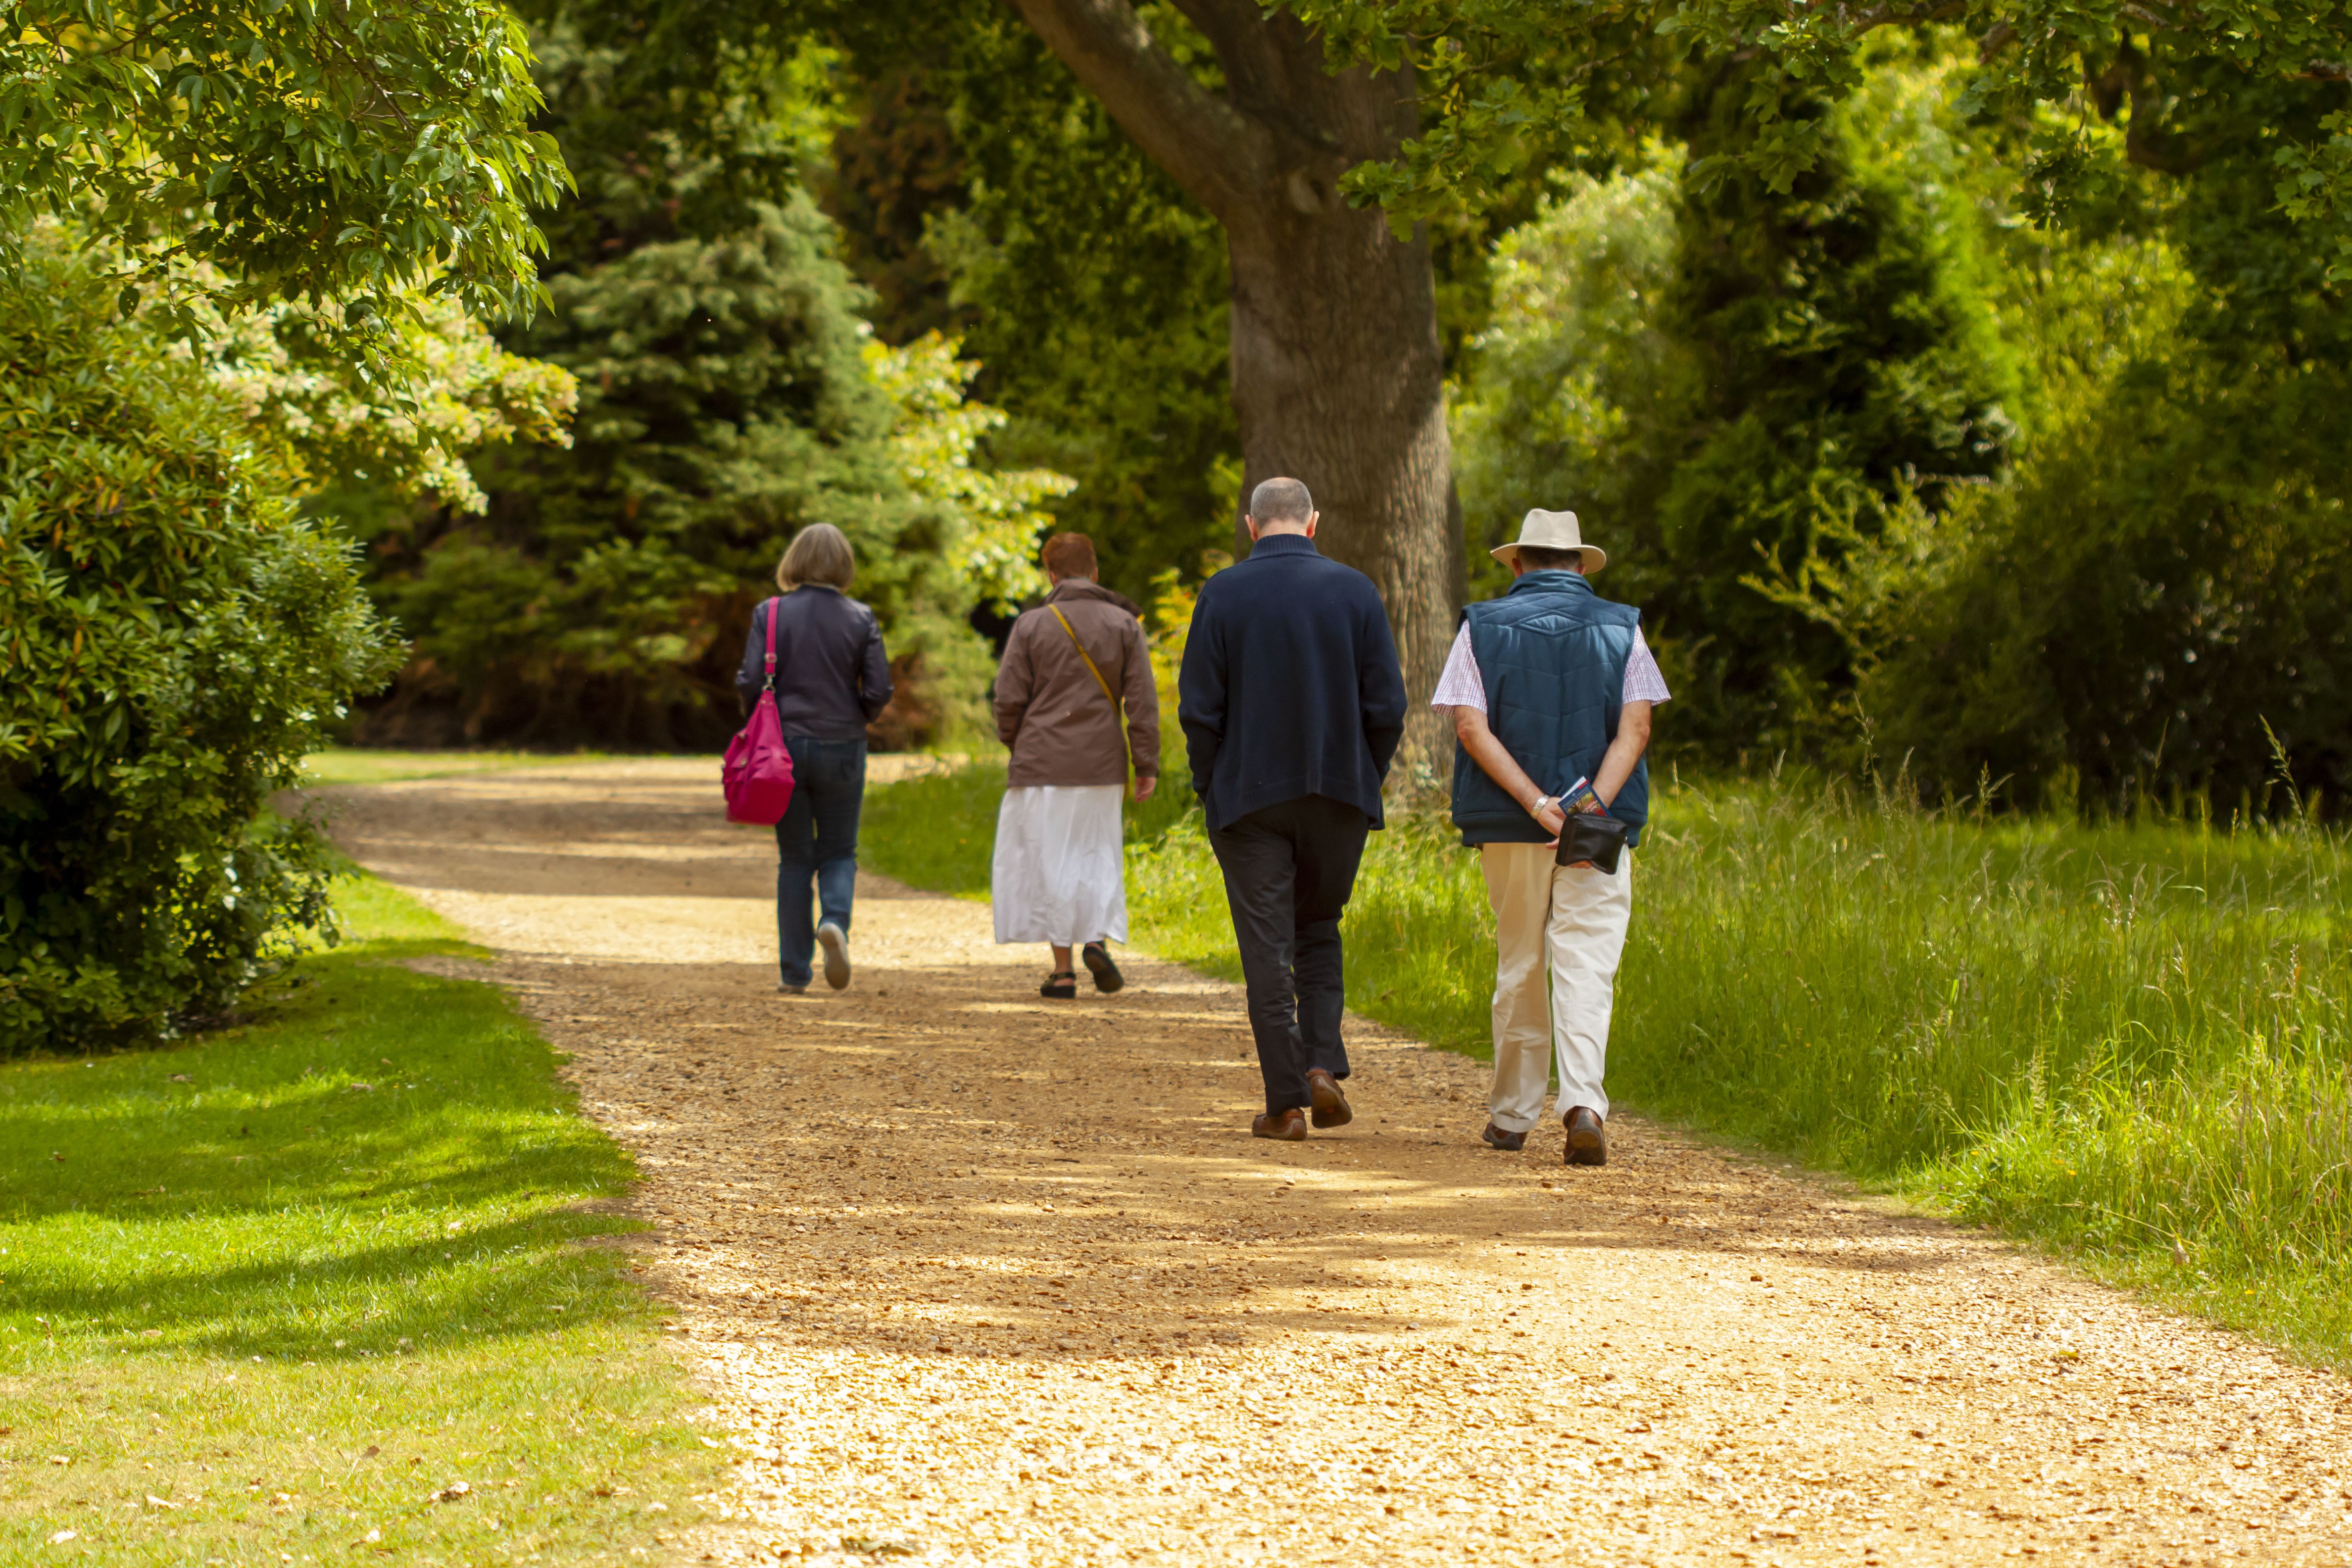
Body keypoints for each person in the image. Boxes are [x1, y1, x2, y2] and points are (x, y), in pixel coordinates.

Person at [1433, 508, 1667, 1166]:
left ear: (1517, 563)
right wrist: (1589, 807)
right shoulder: (1625, 627)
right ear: (1580, 566)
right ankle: (1584, 1105)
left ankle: (1511, 1117)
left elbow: (1471, 729)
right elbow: (1637, 730)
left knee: (1521, 963)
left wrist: (1539, 806)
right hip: (1600, 825)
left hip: (1511, 824)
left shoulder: (1480, 626)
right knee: (1588, 962)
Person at [1178, 477, 1408, 1141]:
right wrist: (1364, 776)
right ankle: (1319, 1064)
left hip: (1249, 799)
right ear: (1314, 524)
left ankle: (1284, 1103)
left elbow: (1199, 710)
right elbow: (1387, 709)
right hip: (1339, 794)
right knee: (1319, 927)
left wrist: (1210, 787)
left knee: (1266, 948)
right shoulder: (1356, 591)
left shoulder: (1221, 593)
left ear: (1252, 527)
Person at [990, 532, 1161, 998]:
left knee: (1050, 861)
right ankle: (1096, 940)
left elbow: (1007, 700)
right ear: (1096, 572)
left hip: (1041, 762)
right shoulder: (1125, 624)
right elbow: (1142, 704)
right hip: (1102, 766)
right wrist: (1145, 762)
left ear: (1051, 574)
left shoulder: (1031, 626)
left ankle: (1063, 971)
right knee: (1095, 852)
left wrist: (1018, 744)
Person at [734, 523, 892, 996]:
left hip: (781, 747)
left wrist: (757, 720)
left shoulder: (772, 612)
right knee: (840, 850)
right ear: (844, 566)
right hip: (843, 743)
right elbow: (880, 688)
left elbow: (748, 679)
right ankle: (836, 923)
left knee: (795, 858)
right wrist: (858, 715)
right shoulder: (861, 617)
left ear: (794, 562)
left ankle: (794, 972)